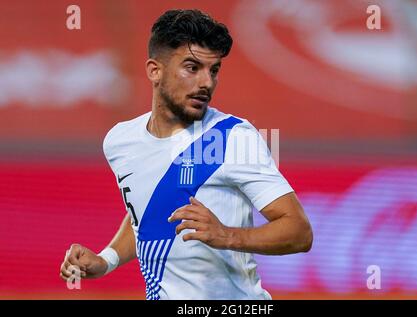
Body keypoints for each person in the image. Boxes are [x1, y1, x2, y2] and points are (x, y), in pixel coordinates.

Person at [59, 9, 313, 300]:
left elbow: (299, 231)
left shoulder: (232, 136)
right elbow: (145, 212)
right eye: (192, 68)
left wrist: (227, 235)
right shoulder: (120, 141)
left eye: (213, 70)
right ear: (155, 70)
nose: (206, 82)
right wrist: (107, 260)